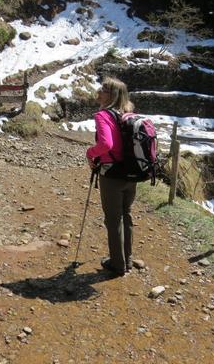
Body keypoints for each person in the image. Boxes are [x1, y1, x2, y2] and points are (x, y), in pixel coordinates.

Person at [86, 77, 137, 277]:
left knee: (113, 220)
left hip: (112, 175)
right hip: (131, 173)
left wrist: (90, 153)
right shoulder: (128, 114)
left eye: (104, 89)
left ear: (112, 95)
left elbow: (106, 144)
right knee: (126, 214)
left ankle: (118, 265)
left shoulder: (102, 116)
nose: (99, 91)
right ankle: (128, 259)